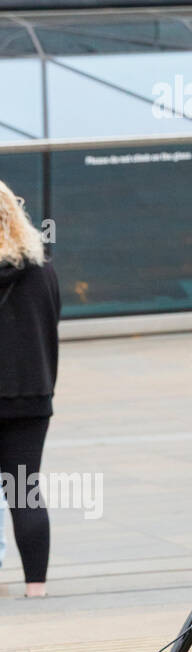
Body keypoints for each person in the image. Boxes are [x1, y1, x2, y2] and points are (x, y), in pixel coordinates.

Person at [0, 181, 58, 599]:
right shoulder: (42, 270)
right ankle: (35, 587)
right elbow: (52, 325)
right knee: (24, 488)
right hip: (31, 396)